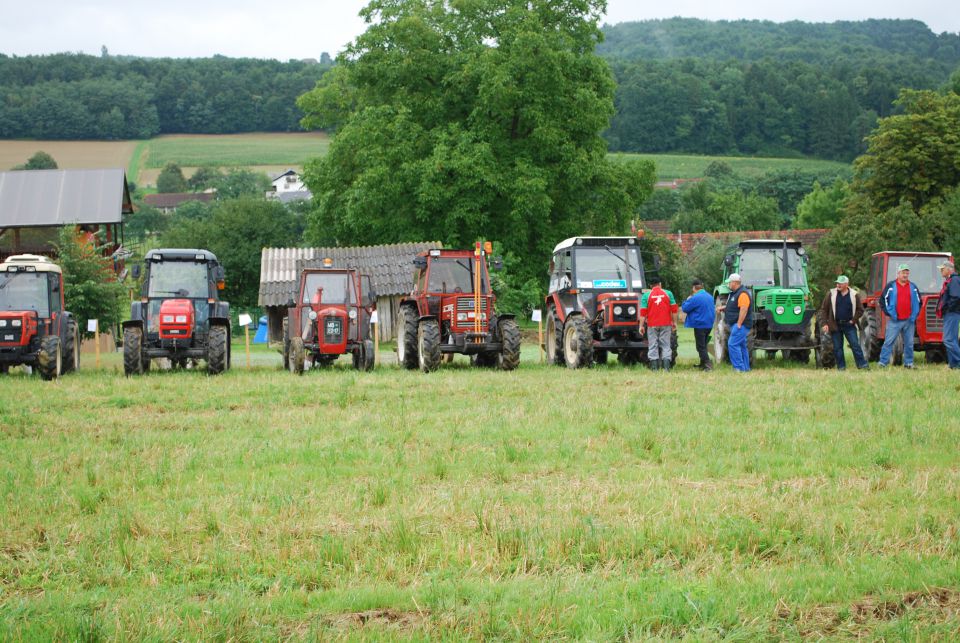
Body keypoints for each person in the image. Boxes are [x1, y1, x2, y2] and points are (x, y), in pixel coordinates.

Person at [819, 275, 868, 370]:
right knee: (837, 348)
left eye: (841, 283)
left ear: (846, 284)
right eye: (837, 283)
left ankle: (862, 365)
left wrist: (853, 320)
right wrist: (824, 323)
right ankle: (841, 367)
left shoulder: (854, 294)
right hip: (835, 325)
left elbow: (860, 310)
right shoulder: (831, 294)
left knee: (855, 345)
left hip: (849, 325)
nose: (838, 285)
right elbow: (823, 310)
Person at [878, 263, 921, 369]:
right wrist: (889, 313)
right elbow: (882, 300)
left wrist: (914, 315)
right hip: (895, 320)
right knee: (889, 342)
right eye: (903, 273)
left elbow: (919, 301)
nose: (905, 275)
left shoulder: (913, 287)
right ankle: (883, 363)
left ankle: (909, 363)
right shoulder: (891, 286)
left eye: (907, 273)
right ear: (898, 273)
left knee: (909, 343)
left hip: (909, 320)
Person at [639, 276, 678, 371]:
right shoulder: (668, 293)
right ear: (660, 284)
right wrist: (675, 322)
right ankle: (666, 368)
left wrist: (641, 326)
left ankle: (654, 368)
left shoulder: (646, 296)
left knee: (653, 345)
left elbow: (643, 313)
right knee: (665, 345)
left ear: (650, 285)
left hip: (652, 324)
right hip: (666, 324)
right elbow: (674, 310)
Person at [681, 278, 714, 370]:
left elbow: (685, 308)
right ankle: (702, 363)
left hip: (700, 325)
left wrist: (687, 300)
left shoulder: (695, 297)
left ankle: (708, 365)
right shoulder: (709, 296)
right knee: (703, 344)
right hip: (709, 324)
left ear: (694, 288)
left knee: (700, 346)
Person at [722, 273, 752, 372]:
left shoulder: (743, 293)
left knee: (732, 344)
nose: (729, 284)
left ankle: (738, 368)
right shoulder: (735, 293)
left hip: (740, 325)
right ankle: (746, 368)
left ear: (735, 282)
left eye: (729, 282)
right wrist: (723, 308)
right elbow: (735, 306)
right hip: (737, 324)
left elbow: (744, 309)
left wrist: (739, 324)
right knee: (742, 346)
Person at [936, 260, 960, 369]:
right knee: (952, 339)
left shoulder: (954, 280)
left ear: (949, 269)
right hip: (951, 314)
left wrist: (947, 308)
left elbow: (956, 297)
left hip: (952, 313)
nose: (941, 270)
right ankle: (953, 365)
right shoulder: (950, 280)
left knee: (948, 340)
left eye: (942, 268)